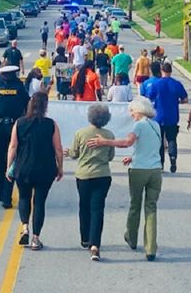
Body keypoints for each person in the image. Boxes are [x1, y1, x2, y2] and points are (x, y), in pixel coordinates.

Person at [87, 97, 163, 261]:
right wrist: (133, 156)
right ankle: (150, 247)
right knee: (151, 208)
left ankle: (132, 236)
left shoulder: (139, 125)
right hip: (155, 170)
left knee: (135, 204)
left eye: (132, 111)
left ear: (139, 110)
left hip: (139, 170)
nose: (131, 114)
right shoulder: (156, 125)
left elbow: (127, 142)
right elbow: (152, 146)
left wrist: (105, 142)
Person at [7, 92, 64, 251]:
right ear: (45, 106)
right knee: (39, 202)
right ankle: (35, 238)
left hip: (23, 167)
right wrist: (60, 167)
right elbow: (58, 149)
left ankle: (25, 227)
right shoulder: (51, 124)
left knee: (24, 198)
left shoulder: (19, 123)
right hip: (45, 168)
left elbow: (12, 147)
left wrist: (8, 167)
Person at [68, 103, 115, 261]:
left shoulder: (81, 133)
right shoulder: (109, 135)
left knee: (84, 206)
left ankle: (85, 238)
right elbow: (110, 156)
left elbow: (74, 154)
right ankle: (95, 244)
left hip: (84, 175)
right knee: (98, 209)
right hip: (102, 175)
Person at [0, 65, 29, 209]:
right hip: (15, 129)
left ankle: (2, 193)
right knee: (14, 161)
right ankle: (6, 196)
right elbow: (29, 107)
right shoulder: (20, 88)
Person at [147, 62, 187, 172]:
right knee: (172, 139)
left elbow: (149, 98)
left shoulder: (156, 84)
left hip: (159, 116)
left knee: (159, 141)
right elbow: (185, 99)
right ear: (171, 71)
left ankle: (161, 164)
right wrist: (178, 101)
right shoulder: (177, 84)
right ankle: (173, 157)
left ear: (162, 71)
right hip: (172, 116)